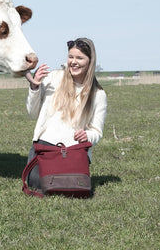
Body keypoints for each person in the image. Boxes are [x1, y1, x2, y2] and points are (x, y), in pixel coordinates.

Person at [24, 38, 107, 189]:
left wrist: (87, 136)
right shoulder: (53, 78)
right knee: (36, 183)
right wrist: (34, 87)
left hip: (74, 152)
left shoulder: (98, 94)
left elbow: (97, 131)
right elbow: (32, 113)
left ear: (90, 61)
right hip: (44, 148)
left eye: (80, 58)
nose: (74, 62)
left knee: (70, 186)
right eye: (71, 57)